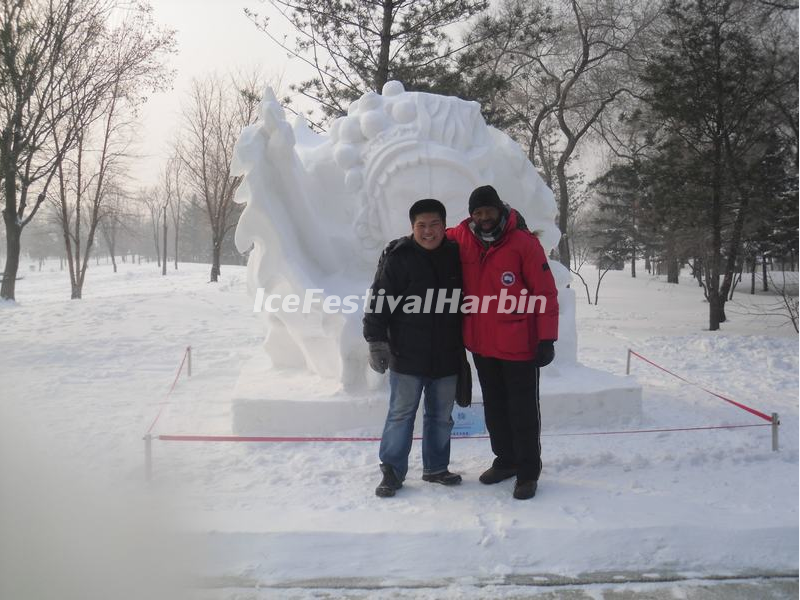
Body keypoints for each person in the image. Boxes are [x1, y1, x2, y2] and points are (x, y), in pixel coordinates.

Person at [447, 185, 559, 500]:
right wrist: (400, 245)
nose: (484, 217)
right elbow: (430, 237)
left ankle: (527, 472)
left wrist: (547, 337)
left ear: (499, 209)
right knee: (495, 408)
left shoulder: (523, 243)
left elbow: (545, 292)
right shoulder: (462, 237)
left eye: (489, 211)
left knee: (522, 410)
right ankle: (505, 460)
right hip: (482, 345)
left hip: (519, 344)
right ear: (471, 214)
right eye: (478, 212)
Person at [363, 199, 464, 498]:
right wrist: (376, 341)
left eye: (434, 225)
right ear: (412, 227)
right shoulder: (399, 256)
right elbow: (379, 301)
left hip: (447, 353)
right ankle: (392, 471)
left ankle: (436, 467)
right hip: (407, 353)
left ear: (444, 226)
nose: (428, 231)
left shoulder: (458, 255)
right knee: (401, 414)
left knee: (441, 416)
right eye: (421, 225)